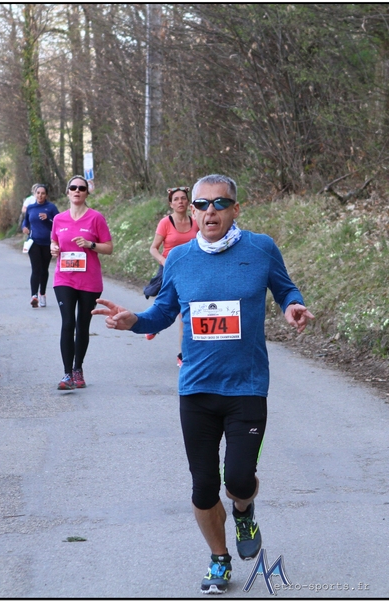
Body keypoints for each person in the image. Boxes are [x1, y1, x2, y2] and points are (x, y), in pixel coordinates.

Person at [92, 174, 314, 594]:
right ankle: (219, 558)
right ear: (191, 211)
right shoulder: (179, 258)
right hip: (196, 389)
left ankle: (243, 511)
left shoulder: (261, 248)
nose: (210, 211)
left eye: (220, 203)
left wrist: (293, 306)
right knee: (203, 487)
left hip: (247, 386)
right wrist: (134, 321)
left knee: (240, 480)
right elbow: (163, 312)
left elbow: (286, 289)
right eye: (202, 204)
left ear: (235, 209)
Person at [50, 175, 113, 390]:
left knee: (82, 325)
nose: (77, 191)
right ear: (67, 192)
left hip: (89, 280)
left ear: (87, 193)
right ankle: (67, 374)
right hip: (64, 278)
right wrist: (53, 249)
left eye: (82, 188)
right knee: (68, 323)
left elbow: (109, 247)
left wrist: (90, 244)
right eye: (73, 187)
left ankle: (78, 368)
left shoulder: (96, 218)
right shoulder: (59, 219)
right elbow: (54, 241)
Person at [146, 186, 198, 366]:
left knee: (185, 312)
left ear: (188, 202)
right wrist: (164, 261)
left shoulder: (196, 222)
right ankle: (155, 324)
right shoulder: (165, 223)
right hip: (169, 268)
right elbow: (153, 248)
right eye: (176, 199)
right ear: (171, 204)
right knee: (169, 305)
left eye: (183, 198)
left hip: (190, 270)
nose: (180, 201)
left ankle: (182, 355)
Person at [22, 184, 59, 308]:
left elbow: (59, 224)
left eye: (43, 193)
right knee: (36, 269)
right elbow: (26, 221)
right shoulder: (31, 208)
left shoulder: (51, 208)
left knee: (44, 269)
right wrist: (24, 227)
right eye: (38, 193)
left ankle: (42, 294)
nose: (40, 195)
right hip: (34, 242)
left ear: (46, 195)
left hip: (47, 243)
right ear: (35, 194)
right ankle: (34, 296)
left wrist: (48, 219)